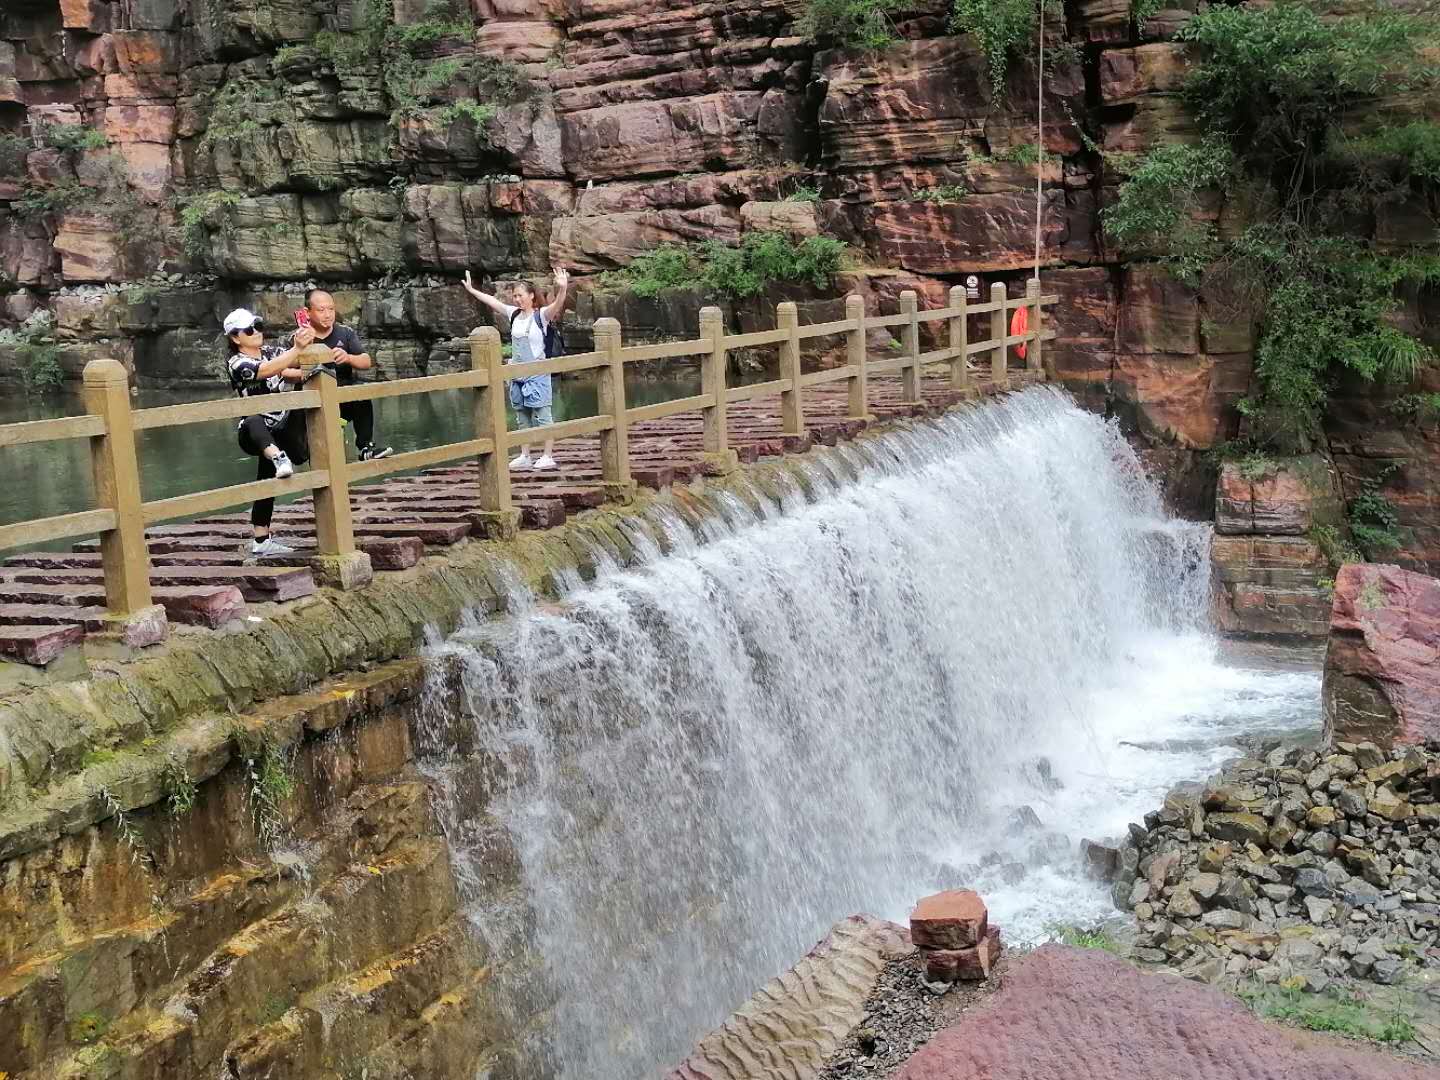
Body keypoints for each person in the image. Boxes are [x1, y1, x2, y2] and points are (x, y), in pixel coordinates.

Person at [461, 268, 570, 470]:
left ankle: (547, 455)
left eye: (520, 295)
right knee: (522, 415)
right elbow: (493, 302)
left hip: (537, 372)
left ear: (531, 296)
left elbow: (557, 304)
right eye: (514, 296)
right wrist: (472, 290)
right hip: (517, 373)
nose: (517, 299)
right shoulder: (513, 315)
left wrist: (562, 288)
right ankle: (525, 455)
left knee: (543, 414)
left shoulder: (541, 317)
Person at [223, 307, 308, 557]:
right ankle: (278, 456)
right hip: (255, 433)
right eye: (249, 330)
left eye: (257, 326)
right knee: (251, 419)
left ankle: (261, 540)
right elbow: (266, 370)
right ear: (236, 337)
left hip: (282, 428)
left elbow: (290, 367)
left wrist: (305, 347)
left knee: (265, 482)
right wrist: (297, 350)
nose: (256, 332)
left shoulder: (271, 352)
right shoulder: (237, 363)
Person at [293, 289, 392, 461]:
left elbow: (366, 361)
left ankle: (365, 447)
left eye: (331, 309)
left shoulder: (345, 333)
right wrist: (312, 369)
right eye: (321, 310)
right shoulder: (300, 338)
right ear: (307, 312)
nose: (327, 314)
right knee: (322, 456)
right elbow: (284, 370)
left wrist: (348, 358)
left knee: (361, 395)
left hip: (343, 398)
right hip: (314, 404)